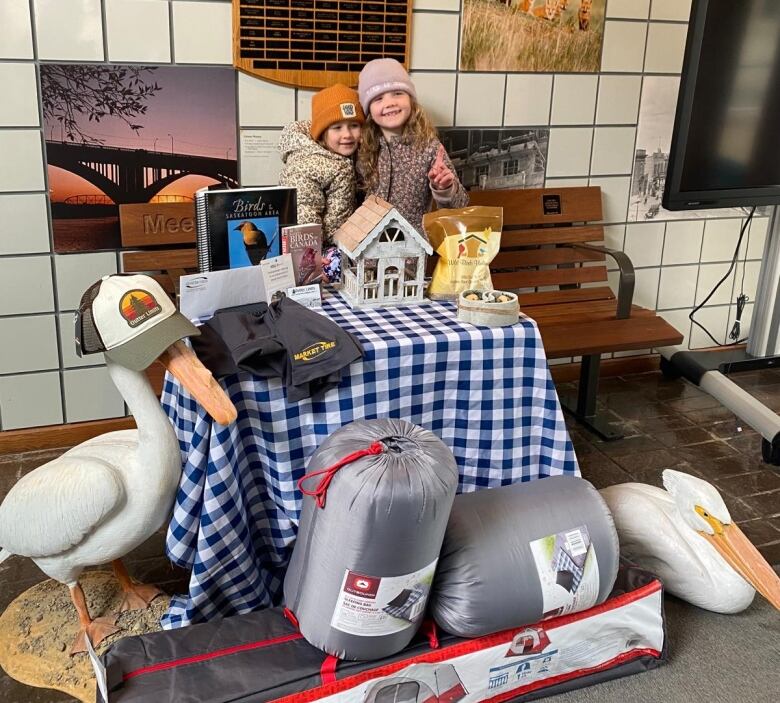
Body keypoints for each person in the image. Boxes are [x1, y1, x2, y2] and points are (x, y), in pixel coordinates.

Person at [357, 58, 468, 235]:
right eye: (378, 98)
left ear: (411, 99)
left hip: (414, 249)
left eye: (398, 93)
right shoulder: (362, 149)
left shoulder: (429, 147)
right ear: (369, 109)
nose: (389, 102)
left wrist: (445, 189)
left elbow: (460, 207)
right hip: (368, 248)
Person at [278, 83, 365, 245]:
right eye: (337, 128)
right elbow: (303, 213)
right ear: (322, 133)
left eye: (354, 126)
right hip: (321, 248)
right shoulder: (307, 164)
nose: (347, 135)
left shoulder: (347, 156)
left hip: (344, 239)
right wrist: (311, 252)